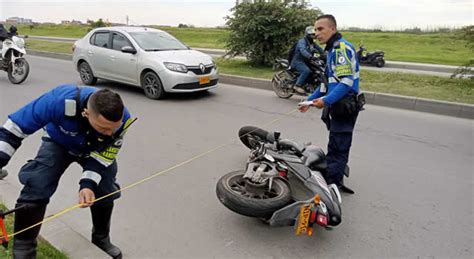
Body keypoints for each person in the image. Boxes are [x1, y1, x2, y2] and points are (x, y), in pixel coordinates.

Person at [0, 84, 136, 258]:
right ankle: (23, 248)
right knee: (38, 184)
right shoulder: (58, 101)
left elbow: (104, 157)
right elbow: (14, 128)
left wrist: (88, 184)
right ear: (86, 113)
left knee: (105, 188)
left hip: (94, 150)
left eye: (113, 128)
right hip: (58, 142)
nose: (110, 133)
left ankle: (101, 239)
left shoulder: (123, 119)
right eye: (103, 128)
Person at [299, 14, 362, 192]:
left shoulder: (341, 48)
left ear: (332, 29)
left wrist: (325, 101)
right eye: (315, 29)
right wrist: (309, 101)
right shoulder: (332, 50)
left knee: (338, 146)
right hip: (337, 104)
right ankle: (336, 178)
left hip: (344, 105)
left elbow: (346, 82)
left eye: (320, 29)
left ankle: (332, 186)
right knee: (336, 143)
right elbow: (325, 84)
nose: (316, 33)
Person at [290, 26, 324, 94]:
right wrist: (310, 56)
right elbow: (303, 50)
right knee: (306, 71)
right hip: (297, 61)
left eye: (314, 35)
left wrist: (326, 53)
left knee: (315, 70)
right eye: (312, 35)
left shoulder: (312, 43)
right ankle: (297, 85)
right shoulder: (302, 41)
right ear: (307, 35)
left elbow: (320, 49)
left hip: (306, 61)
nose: (313, 36)